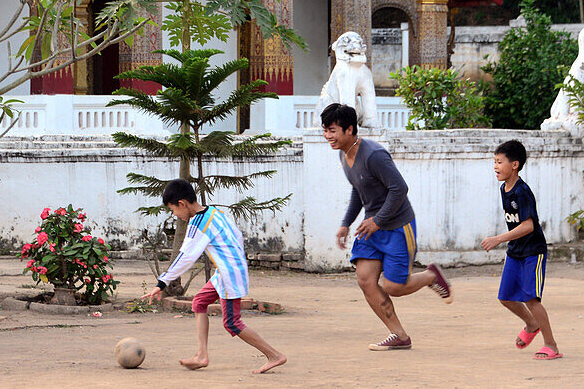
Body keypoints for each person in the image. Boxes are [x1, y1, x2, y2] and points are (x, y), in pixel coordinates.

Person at [321, 102, 452, 351]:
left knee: (394, 287)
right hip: (372, 228)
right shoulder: (343, 154)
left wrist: (378, 221)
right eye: (325, 130)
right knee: (365, 279)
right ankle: (399, 335)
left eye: (333, 130)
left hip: (397, 226)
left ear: (349, 129)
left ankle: (431, 276)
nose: (328, 136)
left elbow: (399, 189)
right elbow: (359, 191)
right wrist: (346, 223)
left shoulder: (374, 155)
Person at [141, 179, 287, 374]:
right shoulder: (213, 212)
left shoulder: (199, 223)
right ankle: (201, 356)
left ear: (182, 204)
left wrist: (162, 282)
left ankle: (274, 355)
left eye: (173, 210)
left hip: (228, 274)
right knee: (199, 302)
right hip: (228, 270)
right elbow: (237, 235)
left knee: (232, 323)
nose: (175, 215)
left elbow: (186, 257)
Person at [482, 140, 562, 360]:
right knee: (506, 297)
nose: (495, 166)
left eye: (500, 162)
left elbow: (528, 225)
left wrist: (498, 239)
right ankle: (531, 324)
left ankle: (551, 345)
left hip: (533, 252)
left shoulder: (522, 191)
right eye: (494, 162)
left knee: (531, 299)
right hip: (515, 251)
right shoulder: (504, 188)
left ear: (514, 164)